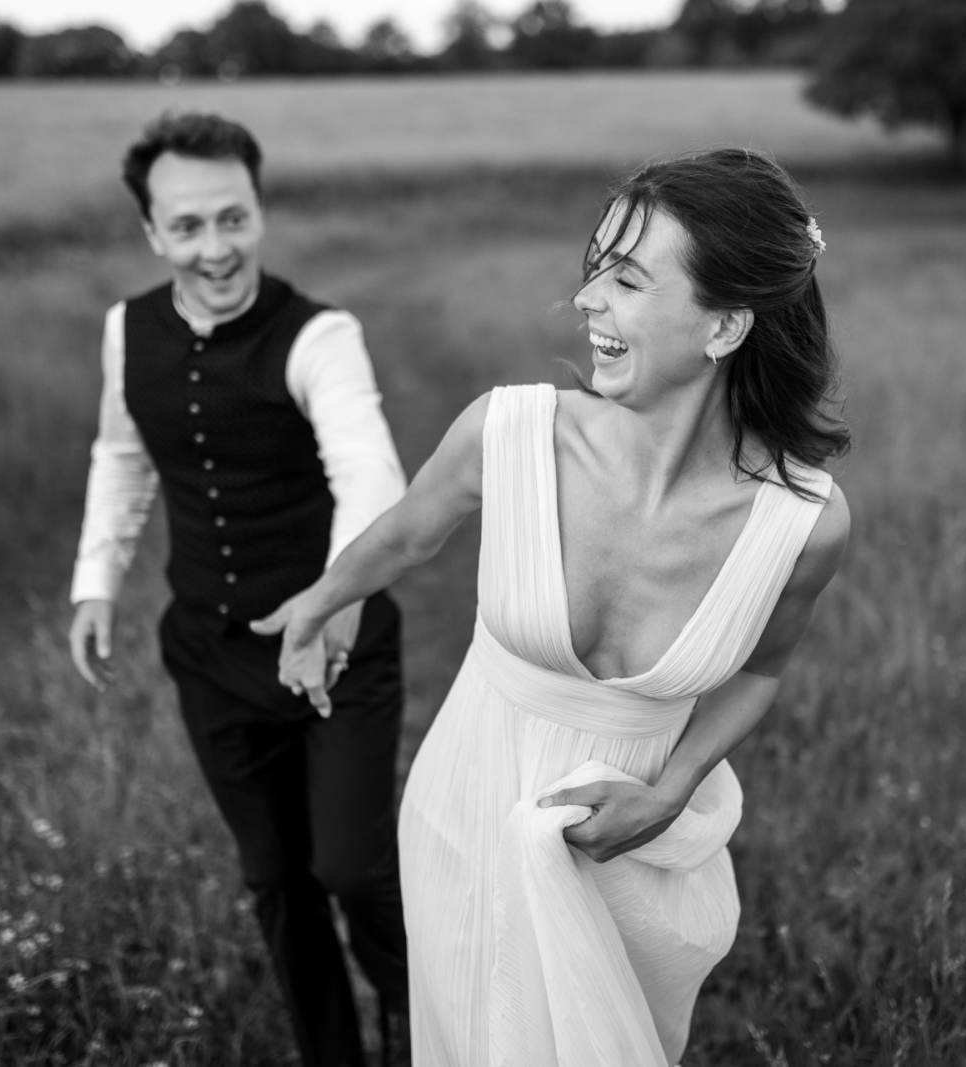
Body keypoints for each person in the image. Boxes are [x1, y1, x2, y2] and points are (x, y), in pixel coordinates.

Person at [254, 149, 852, 1066]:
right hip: (470, 805)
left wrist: (670, 790)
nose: (587, 301)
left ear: (725, 324)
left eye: (627, 278)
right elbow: (409, 532)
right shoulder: (510, 430)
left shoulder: (802, 524)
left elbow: (762, 669)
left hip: (633, 847)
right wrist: (322, 600)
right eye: (595, 270)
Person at [66, 112, 412, 1067]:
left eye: (234, 218)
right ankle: (332, 1053)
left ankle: (419, 1007)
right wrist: (96, 580)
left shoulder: (320, 337)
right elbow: (121, 453)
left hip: (335, 650)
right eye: (188, 227)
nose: (215, 249)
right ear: (151, 232)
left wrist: (332, 607)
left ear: (259, 211)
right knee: (275, 880)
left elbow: (370, 478)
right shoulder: (125, 331)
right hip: (213, 659)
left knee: (347, 865)